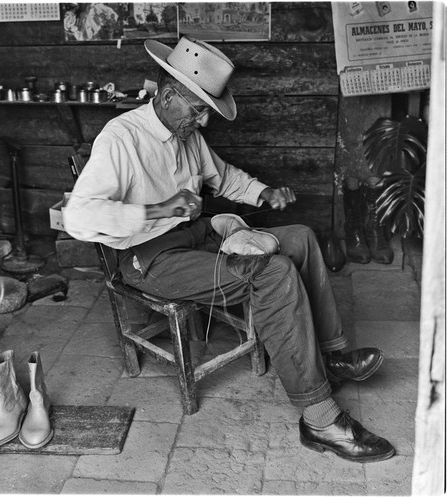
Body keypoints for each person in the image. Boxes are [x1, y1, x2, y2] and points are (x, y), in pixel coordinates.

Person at [63, 36, 395, 463]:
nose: (201, 121)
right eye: (197, 109)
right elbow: (79, 218)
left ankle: (329, 357)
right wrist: (158, 208)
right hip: (150, 259)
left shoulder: (186, 136)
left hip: (196, 235)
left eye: (205, 111)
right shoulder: (121, 139)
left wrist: (264, 192)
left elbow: (223, 176)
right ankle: (320, 418)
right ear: (167, 96)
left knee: (300, 237)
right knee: (273, 273)